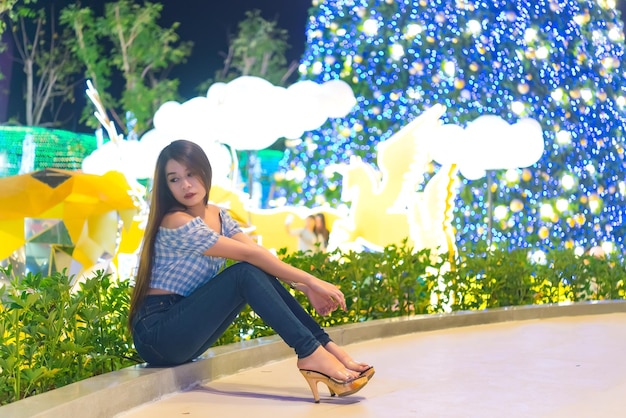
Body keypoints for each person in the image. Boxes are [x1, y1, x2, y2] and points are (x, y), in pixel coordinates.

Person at [128, 139, 374, 403]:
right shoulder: (176, 221)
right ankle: (311, 354)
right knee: (244, 272)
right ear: (166, 186)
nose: (186, 185)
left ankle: (327, 347)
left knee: (251, 269)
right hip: (158, 334)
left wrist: (300, 286)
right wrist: (313, 281)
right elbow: (249, 255)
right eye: (174, 179)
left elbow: (259, 255)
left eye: (190, 174)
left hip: (185, 327)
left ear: (205, 171)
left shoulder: (219, 215)